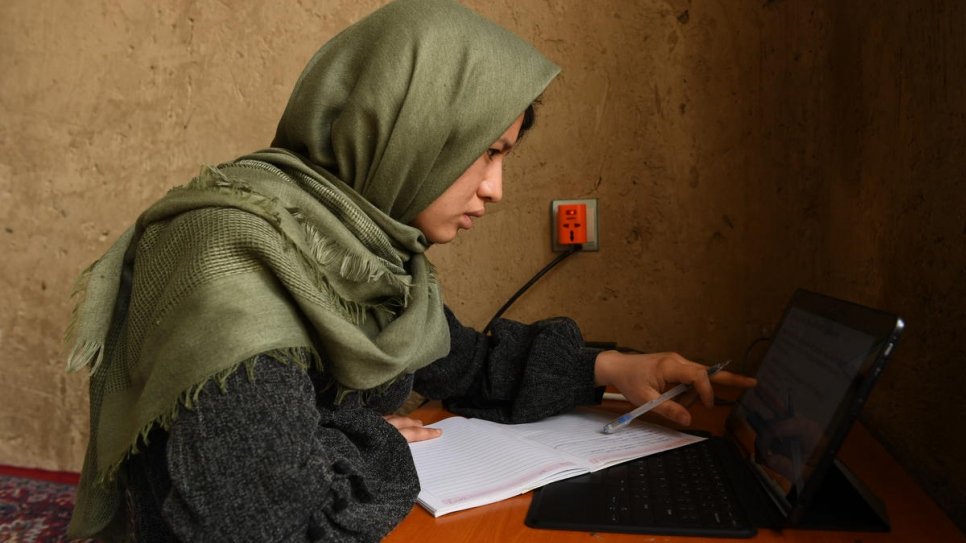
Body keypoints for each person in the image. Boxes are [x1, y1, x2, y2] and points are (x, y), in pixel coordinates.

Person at [65, 0, 755, 541]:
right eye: (484, 152)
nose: (496, 189)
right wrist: (356, 435)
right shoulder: (233, 267)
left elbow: (457, 360)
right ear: (409, 125)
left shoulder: (363, 253)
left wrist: (613, 368)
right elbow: (266, 525)